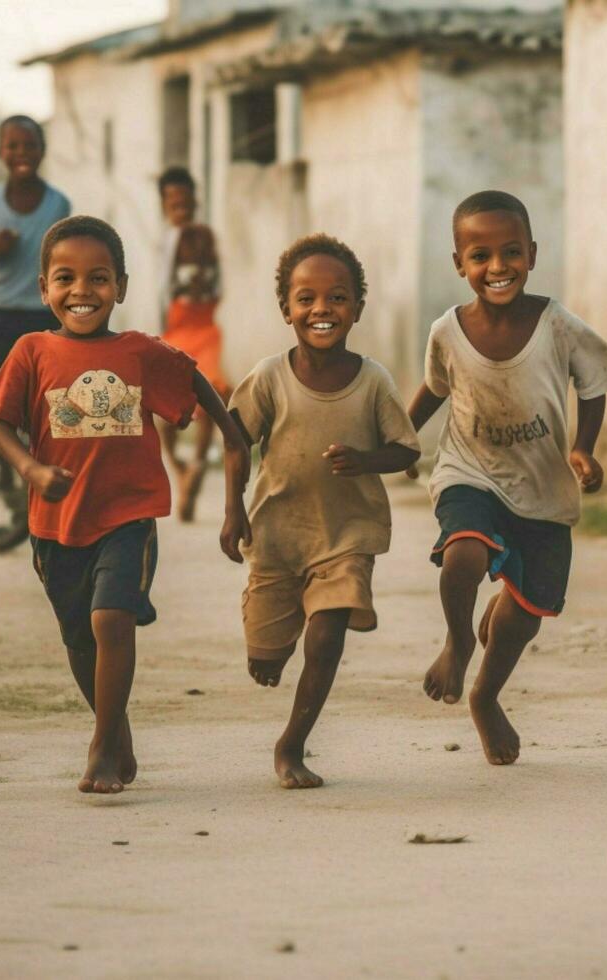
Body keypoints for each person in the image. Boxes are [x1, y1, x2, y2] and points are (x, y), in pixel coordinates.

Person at [0, 215, 249, 794]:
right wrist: (30, 467)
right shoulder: (30, 351)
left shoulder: (140, 352)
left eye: (98, 278)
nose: (82, 292)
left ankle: (101, 746)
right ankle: (117, 731)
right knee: (79, 637)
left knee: (111, 619)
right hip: (55, 524)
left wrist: (233, 470)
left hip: (128, 517)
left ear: (121, 287)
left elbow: (209, 400)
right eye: (66, 279)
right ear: (43, 289)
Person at [407, 190, 607, 765]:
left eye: (511, 252)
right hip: (468, 469)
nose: (497, 267)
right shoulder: (447, 331)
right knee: (464, 555)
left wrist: (582, 450)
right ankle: (459, 641)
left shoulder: (556, 324)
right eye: (479, 256)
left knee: (526, 612)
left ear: (532, 254)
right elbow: (434, 392)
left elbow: (594, 384)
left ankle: (486, 695)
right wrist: (397, 442)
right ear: (459, 264)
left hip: (542, 486)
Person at [226, 234, 420, 789]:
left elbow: (405, 449)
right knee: (265, 656)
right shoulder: (269, 377)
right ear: (285, 308)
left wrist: (366, 460)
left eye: (337, 297)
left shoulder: (374, 380)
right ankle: (269, 649)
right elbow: (236, 441)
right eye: (305, 298)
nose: (321, 309)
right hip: (277, 537)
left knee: (328, 631)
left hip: (346, 536)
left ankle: (292, 744)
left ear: (357, 307)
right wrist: (231, 510)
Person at [0, 115, 71, 388]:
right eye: (13, 146)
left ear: (42, 150)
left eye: (30, 146)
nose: (22, 153)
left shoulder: (58, 204)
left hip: (44, 313)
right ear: (0, 152)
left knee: (43, 396)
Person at [154, 166, 229, 522]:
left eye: (185, 200)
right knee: (173, 401)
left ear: (194, 201)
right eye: (174, 201)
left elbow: (209, 283)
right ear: (165, 205)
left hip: (197, 323)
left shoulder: (199, 237)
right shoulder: (169, 240)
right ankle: (184, 466)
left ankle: (193, 464)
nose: (180, 206)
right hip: (180, 326)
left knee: (208, 395)